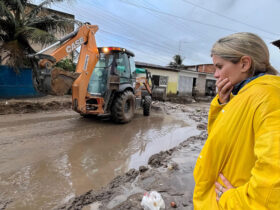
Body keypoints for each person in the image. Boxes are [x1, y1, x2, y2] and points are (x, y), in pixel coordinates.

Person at [193, 32, 280, 209]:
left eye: (219, 66)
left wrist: (233, 201)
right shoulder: (242, 95)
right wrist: (222, 103)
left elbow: (273, 184)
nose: (216, 74)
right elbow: (224, 140)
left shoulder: (268, 99)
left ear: (244, 64)